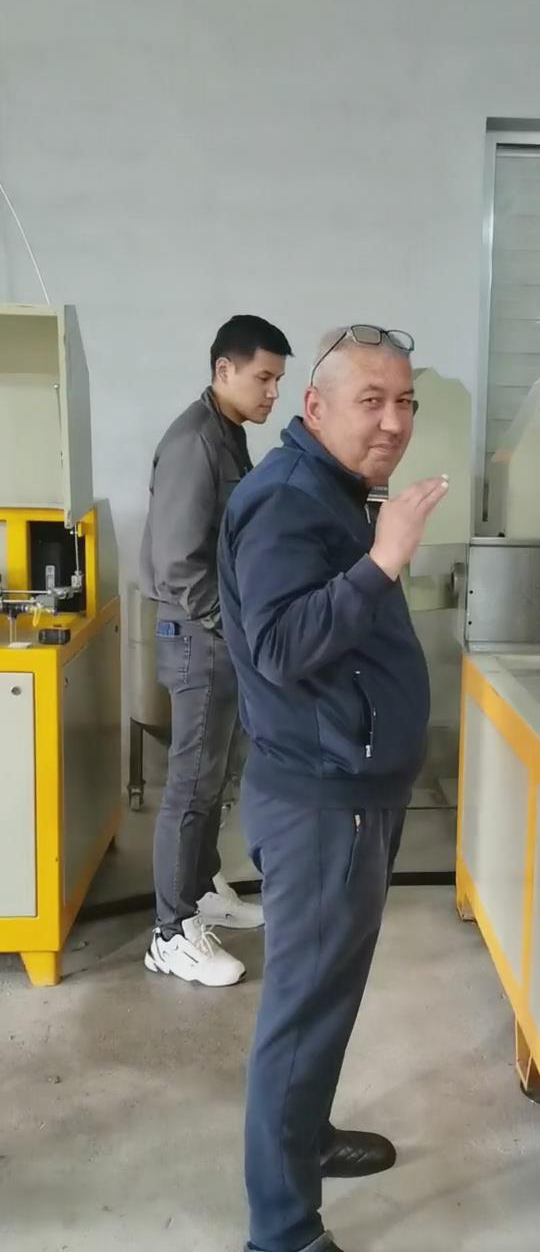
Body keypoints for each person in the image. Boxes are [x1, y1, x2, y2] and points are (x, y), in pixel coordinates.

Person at [218, 324, 448, 1252]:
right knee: (303, 1013)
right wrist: (383, 560)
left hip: (352, 789)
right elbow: (278, 647)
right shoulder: (286, 499)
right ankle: (281, 1231)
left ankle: (304, 1141)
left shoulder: (336, 489)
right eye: (371, 401)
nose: (394, 421)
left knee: (330, 1000)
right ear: (314, 408)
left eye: (406, 403)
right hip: (320, 802)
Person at [140, 314, 293, 987]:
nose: (272, 393)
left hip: (217, 634)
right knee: (191, 785)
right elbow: (178, 563)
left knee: (214, 774)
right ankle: (171, 933)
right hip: (197, 636)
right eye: (263, 377)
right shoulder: (194, 442)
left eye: (278, 380)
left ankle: (200, 890)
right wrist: (234, 630)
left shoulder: (227, 434)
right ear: (223, 370)